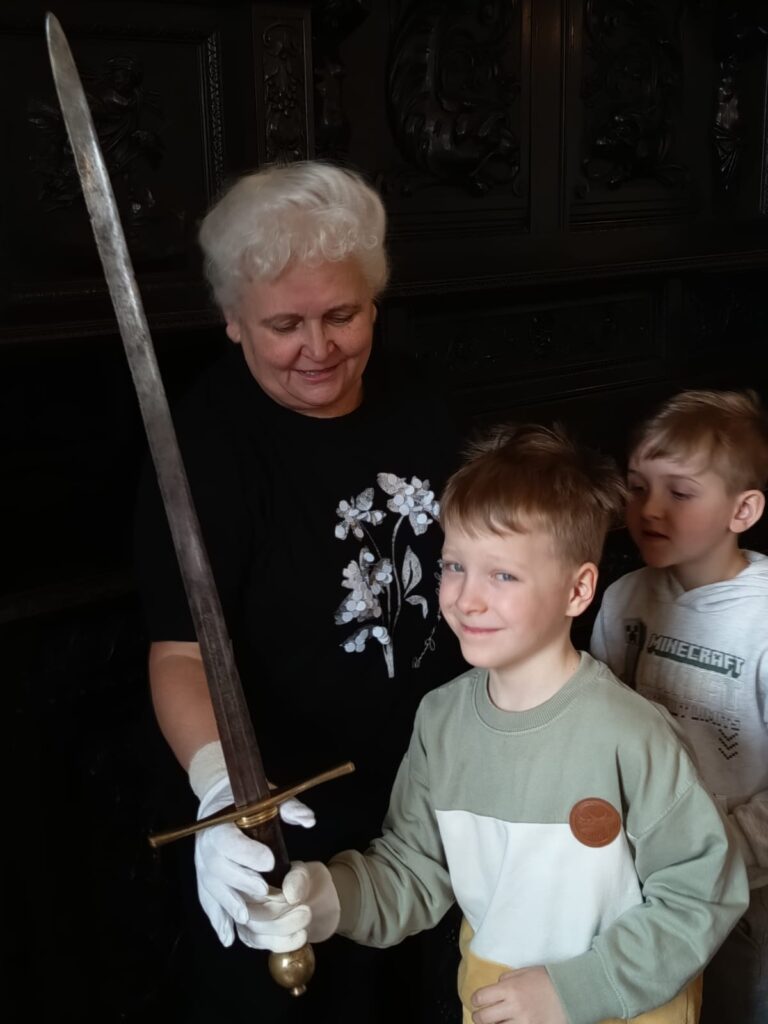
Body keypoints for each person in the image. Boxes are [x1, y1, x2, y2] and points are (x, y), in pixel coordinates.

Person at [237, 423, 749, 1024]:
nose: (466, 598)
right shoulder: (441, 721)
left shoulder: (630, 734)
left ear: (578, 590)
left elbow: (700, 892)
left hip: (630, 1010)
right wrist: (328, 898)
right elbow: (414, 870)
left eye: (503, 575)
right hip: (493, 999)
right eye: (455, 565)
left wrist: (574, 990)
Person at [134, 160, 466, 1022]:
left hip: (435, 797)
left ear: (375, 302)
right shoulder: (205, 447)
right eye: (284, 324)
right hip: (288, 818)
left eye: (342, 315)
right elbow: (180, 654)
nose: (319, 348)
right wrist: (224, 792)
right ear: (234, 321)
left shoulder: (424, 398)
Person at [590, 389, 768, 1024]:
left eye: (681, 493)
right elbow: (600, 730)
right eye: (638, 488)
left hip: (745, 894)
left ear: (743, 509)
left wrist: (716, 853)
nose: (650, 509)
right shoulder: (623, 599)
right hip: (643, 879)